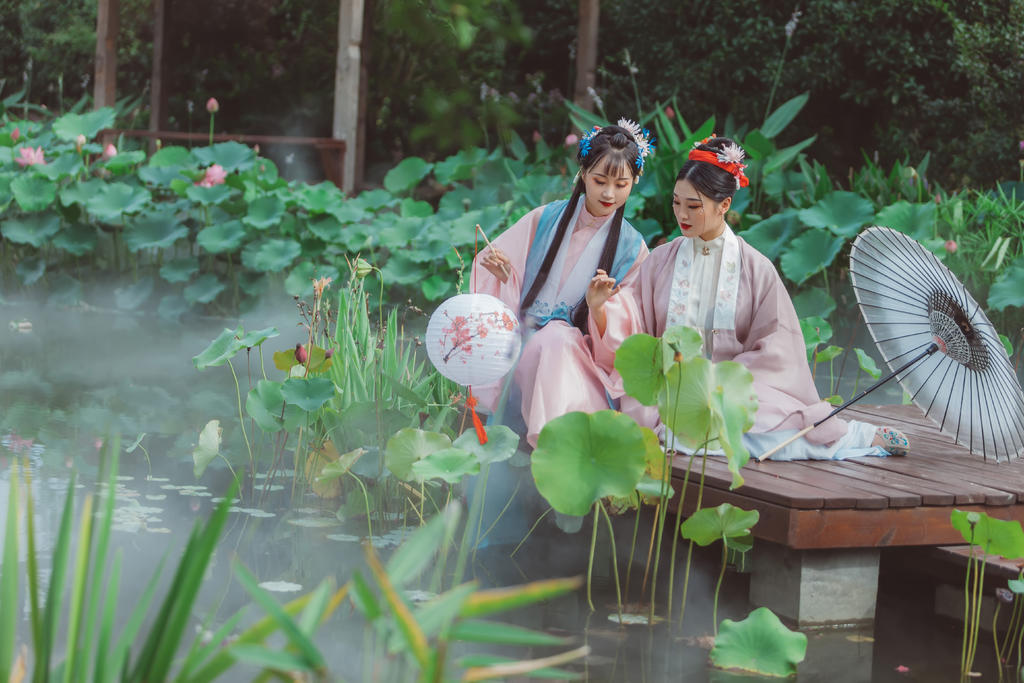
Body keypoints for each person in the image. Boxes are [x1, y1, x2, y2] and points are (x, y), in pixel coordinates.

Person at [593, 135, 910, 459]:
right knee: (675, 432)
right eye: (676, 203)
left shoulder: (756, 268)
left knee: (758, 433)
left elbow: (779, 348)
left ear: (724, 205)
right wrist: (601, 308)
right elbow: (633, 320)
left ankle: (855, 437)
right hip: (671, 389)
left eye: (693, 206)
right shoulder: (660, 261)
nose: (681, 215)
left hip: (735, 390)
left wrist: (722, 378)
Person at [471, 120, 653, 448]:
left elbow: (629, 337)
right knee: (554, 338)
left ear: (634, 182)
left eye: (621, 184)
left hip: (586, 367)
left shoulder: (632, 249)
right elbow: (504, 280)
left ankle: (552, 442)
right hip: (525, 348)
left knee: (559, 338)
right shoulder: (543, 219)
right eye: (599, 181)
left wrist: (600, 309)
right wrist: (503, 276)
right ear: (583, 174)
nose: (609, 193)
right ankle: (556, 447)